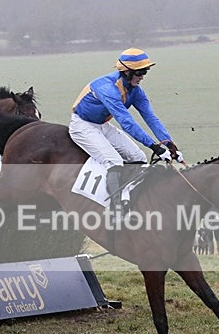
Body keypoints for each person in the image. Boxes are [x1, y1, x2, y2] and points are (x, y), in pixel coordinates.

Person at [69, 48, 184, 220]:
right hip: (82, 126)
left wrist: (169, 144)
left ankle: (130, 199)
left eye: (145, 71)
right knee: (114, 162)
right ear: (126, 71)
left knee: (138, 157)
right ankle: (116, 211)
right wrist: (154, 147)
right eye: (139, 72)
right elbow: (127, 123)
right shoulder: (107, 88)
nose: (143, 76)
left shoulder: (136, 91)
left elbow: (151, 118)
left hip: (102, 125)